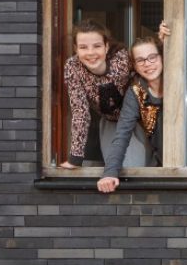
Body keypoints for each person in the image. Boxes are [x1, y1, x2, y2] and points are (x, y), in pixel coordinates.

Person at [97, 23, 170, 193]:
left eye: (152, 57)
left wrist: (168, 35)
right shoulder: (136, 91)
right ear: (135, 66)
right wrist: (110, 172)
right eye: (140, 60)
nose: (147, 64)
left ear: (162, 58)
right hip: (159, 164)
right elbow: (122, 134)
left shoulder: (178, 82)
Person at [59, 19, 134, 169]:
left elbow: (150, 67)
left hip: (137, 120)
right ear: (76, 49)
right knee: (114, 167)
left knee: (138, 165)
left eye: (97, 46)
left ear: (106, 47)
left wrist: (162, 40)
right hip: (109, 121)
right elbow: (80, 111)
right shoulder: (73, 67)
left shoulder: (123, 59)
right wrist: (75, 158)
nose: (91, 53)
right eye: (83, 47)